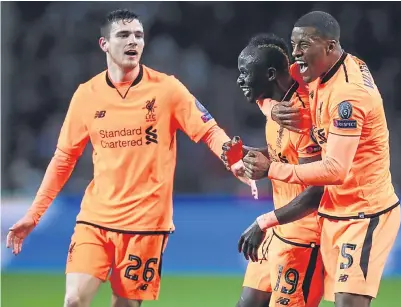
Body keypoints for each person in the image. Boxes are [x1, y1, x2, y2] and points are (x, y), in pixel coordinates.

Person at [6, 9, 255, 307]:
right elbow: (63, 159)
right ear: (104, 44)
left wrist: (233, 158)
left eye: (138, 35)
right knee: (73, 300)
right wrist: (33, 215)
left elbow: (209, 130)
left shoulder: (167, 89)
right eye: (123, 35)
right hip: (95, 219)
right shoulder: (86, 95)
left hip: (146, 224)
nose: (132, 41)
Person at [235, 11, 401, 307]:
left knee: (349, 303)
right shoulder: (318, 70)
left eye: (304, 45)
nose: (295, 54)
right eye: (293, 44)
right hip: (332, 210)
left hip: (364, 210)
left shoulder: (347, 95)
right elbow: (266, 79)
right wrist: (271, 109)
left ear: (330, 46)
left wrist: (271, 169)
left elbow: (335, 170)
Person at [228, 33, 324, 307]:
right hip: (279, 230)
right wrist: (251, 155)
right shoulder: (276, 108)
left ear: (270, 74)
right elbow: (286, 156)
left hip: (303, 237)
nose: (239, 79)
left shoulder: (300, 117)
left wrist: (264, 221)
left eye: (245, 72)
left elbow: (316, 190)